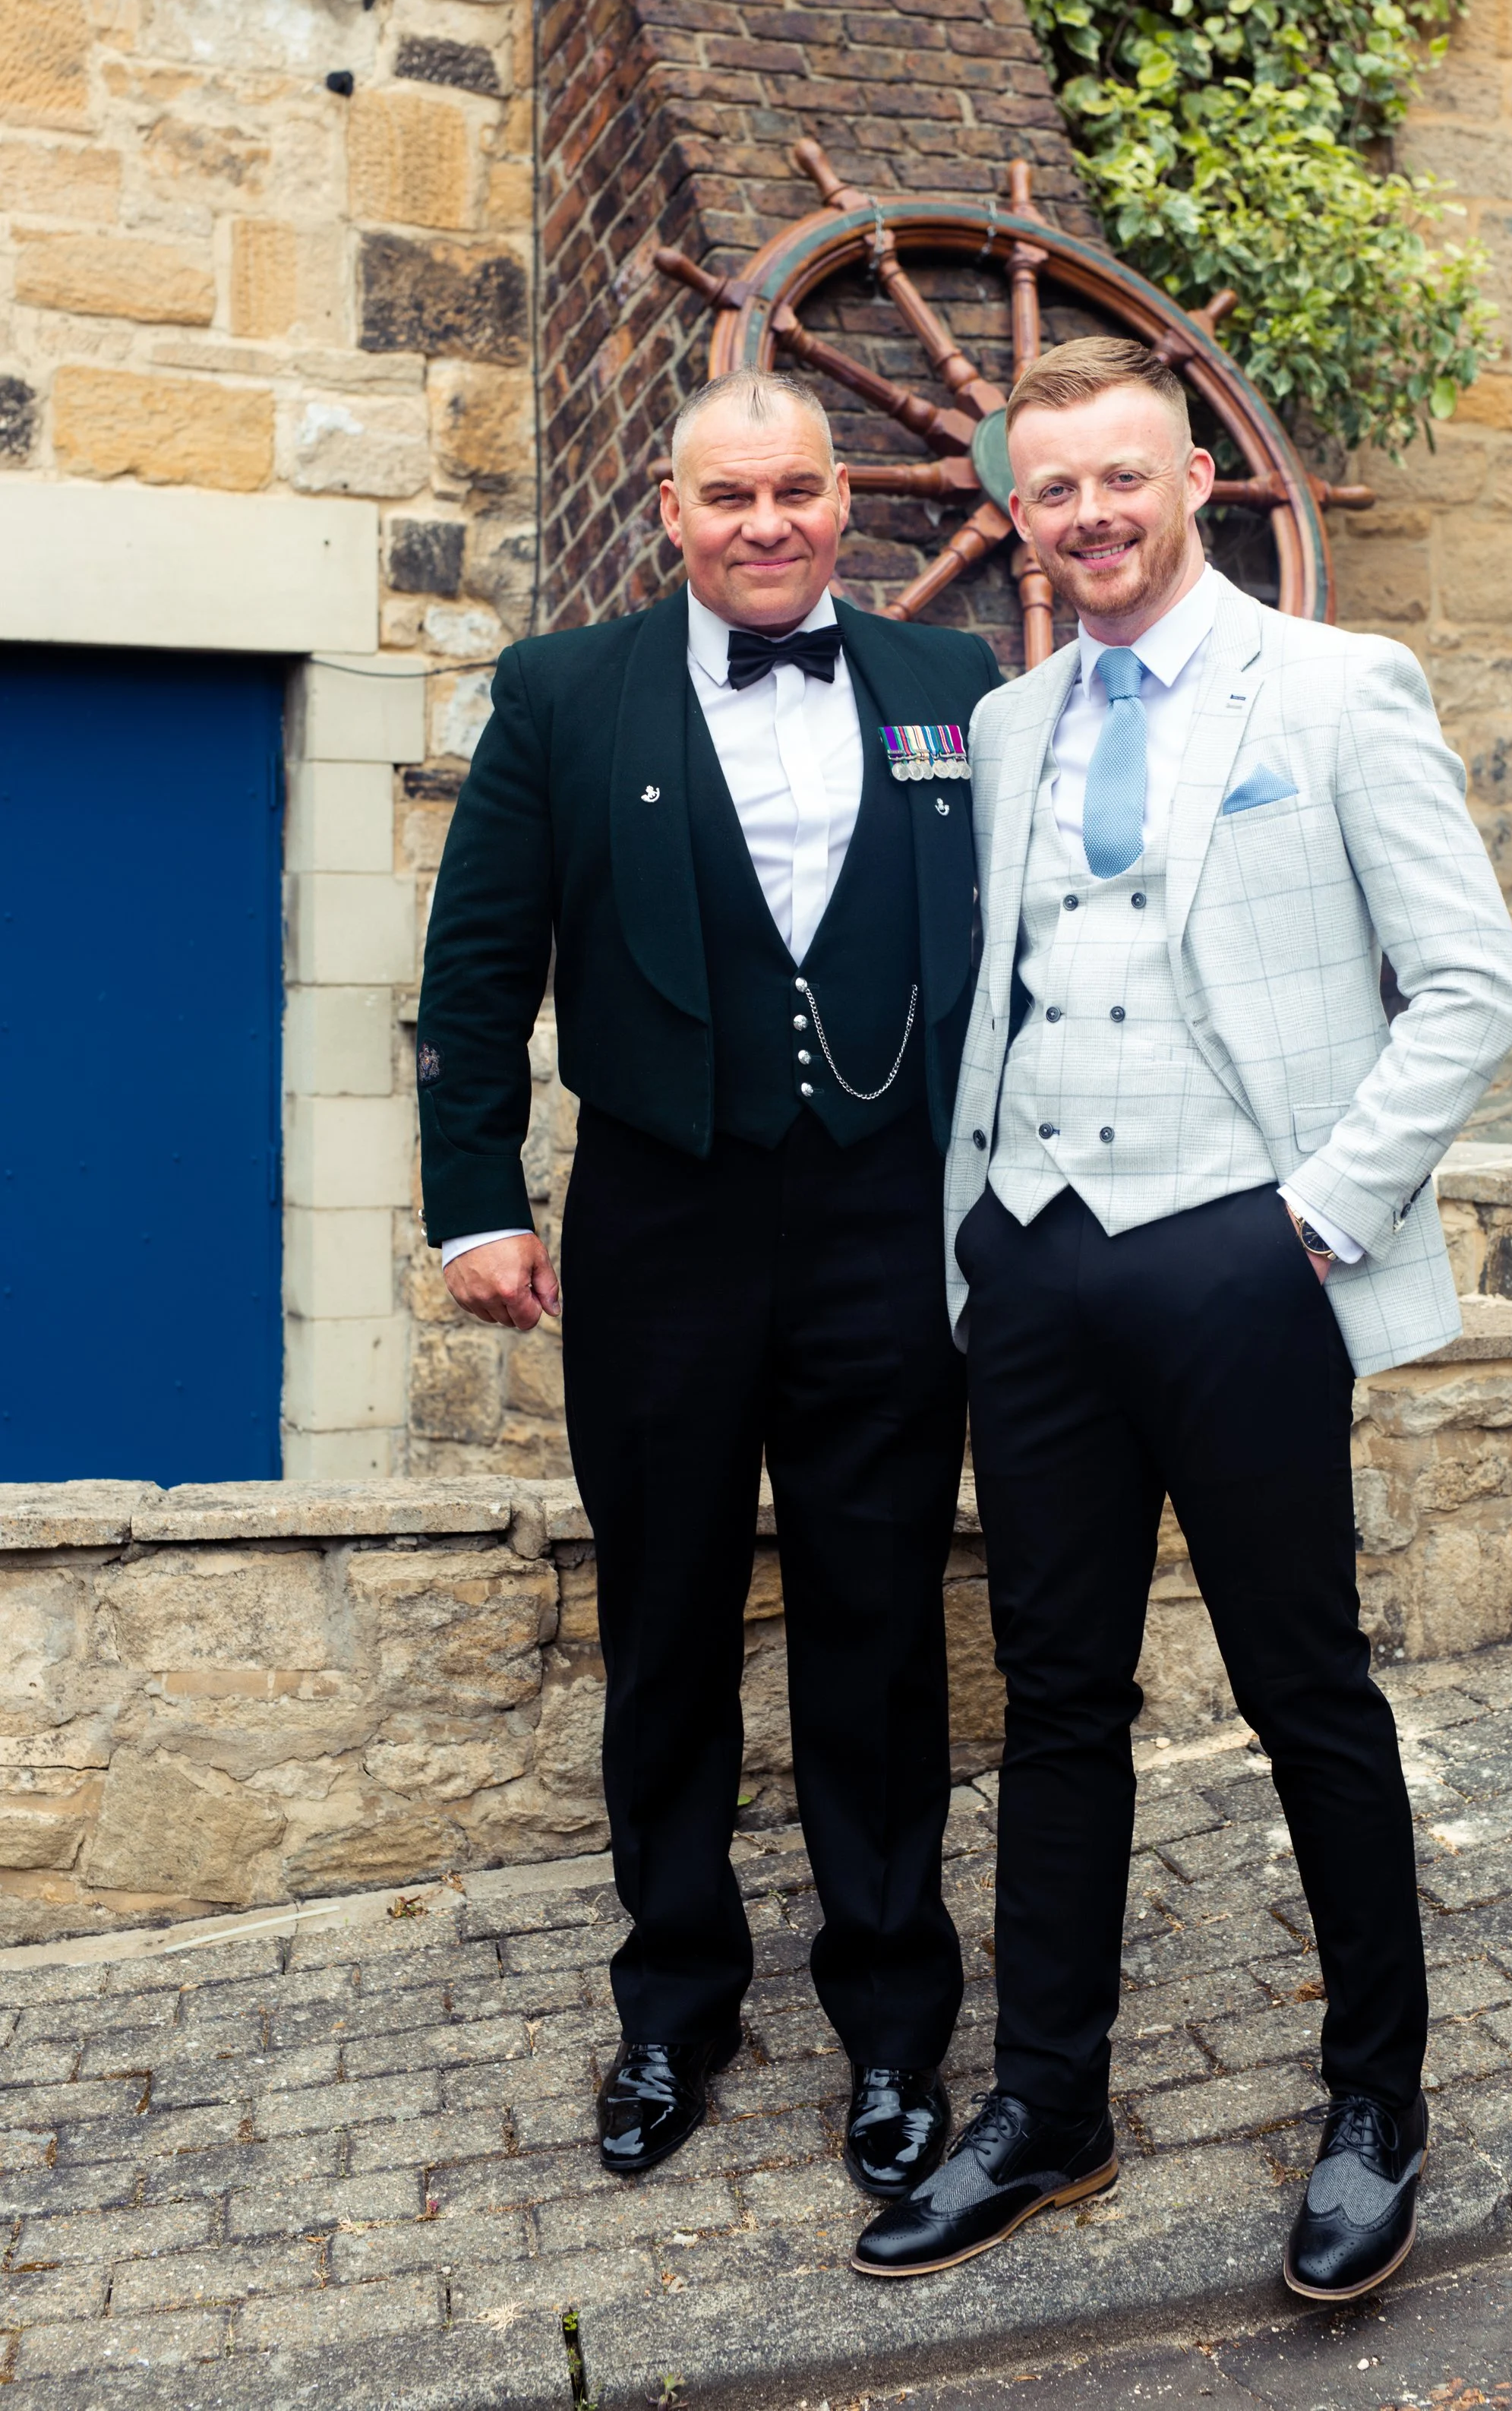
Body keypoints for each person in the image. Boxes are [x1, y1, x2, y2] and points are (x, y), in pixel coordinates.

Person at [852, 337, 1512, 2296]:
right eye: (1051, 491)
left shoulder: (1335, 688)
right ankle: (1048, 2108)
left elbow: (1466, 984)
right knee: (1058, 1705)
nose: (1087, 517)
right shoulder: (1005, 721)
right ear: (1023, 518)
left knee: (1303, 1684)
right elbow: (1003, 989)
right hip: (1039, 1259)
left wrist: (1311, 1223)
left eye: (1118, 479)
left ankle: (1371, 2105)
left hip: (1245, 1253)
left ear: (1193, 477)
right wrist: (978, 1233)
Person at [415, 368, 1003, 2199]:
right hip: (662, 1227)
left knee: (878, 1630)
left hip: (884, 1228)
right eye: (727, 497)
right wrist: (474, 1205)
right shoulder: (562, 693)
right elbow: (475, 970)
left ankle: (894, 2023)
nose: (766, 526)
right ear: (667, 511)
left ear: (848, 504)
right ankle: (674, 2001)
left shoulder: (953, 689)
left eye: (799, 491)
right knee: (664, 1629)